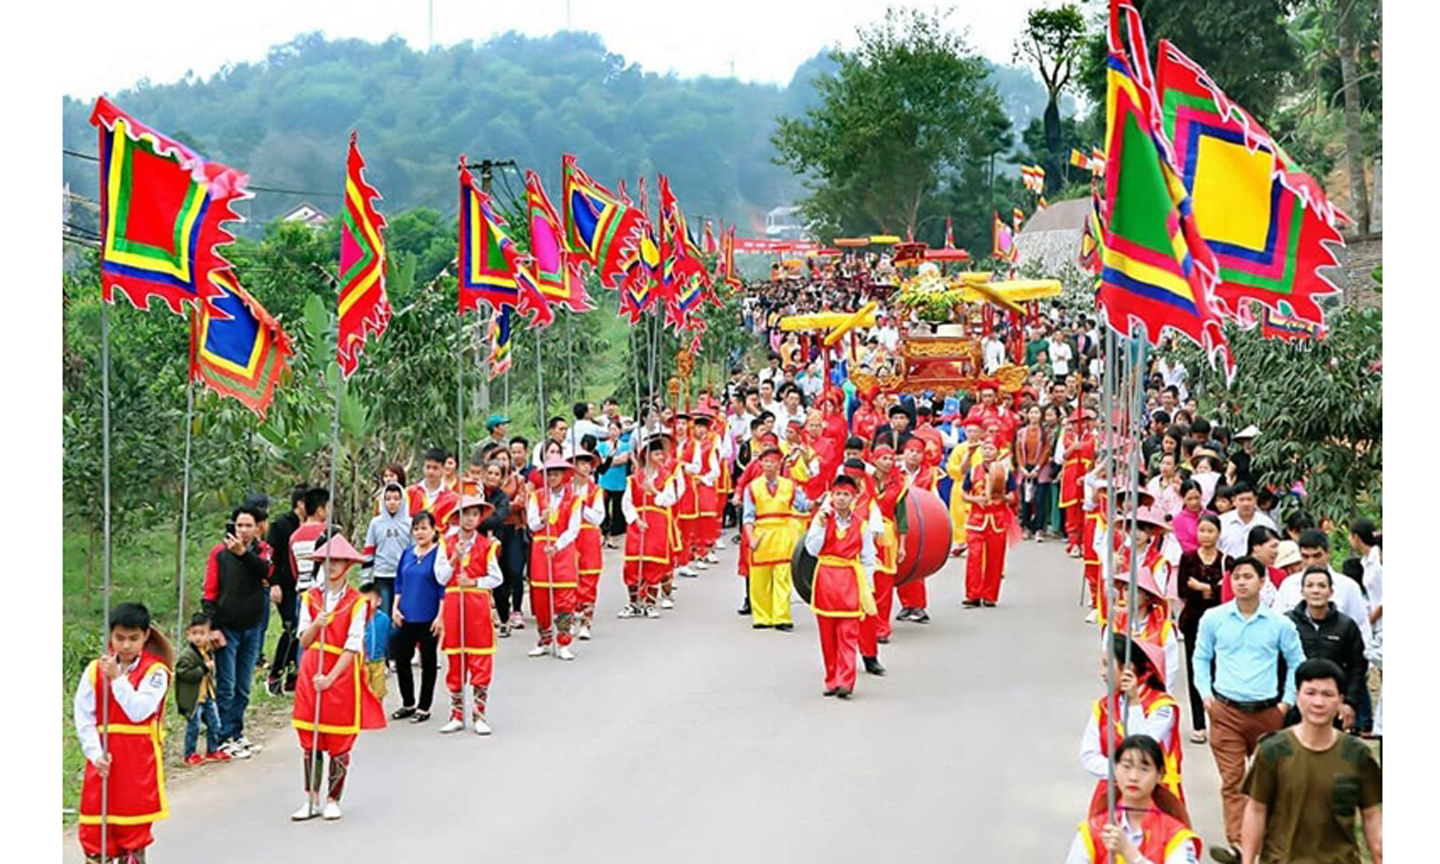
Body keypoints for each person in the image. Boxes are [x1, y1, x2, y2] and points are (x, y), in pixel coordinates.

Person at [1191, 556, 1306, 862]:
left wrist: (1287, 702)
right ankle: (1240, 847)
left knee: (1267, 782)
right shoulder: (1213, 619)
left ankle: (1268, 842)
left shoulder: (1280, 624)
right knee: (1233, 781)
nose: (1241, 582)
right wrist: (1205, 693)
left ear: (1262, 581)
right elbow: (1200, 657)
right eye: (1236, 577)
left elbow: (1298, 663)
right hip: (1225, 711)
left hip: (1268, 712)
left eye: (1248, 576)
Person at [1238, 658, 1382, 864]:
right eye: (1310, 693)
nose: (1318, 702)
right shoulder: (1273, 751)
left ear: (1340, 700)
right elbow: (1256, 809)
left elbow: (1372, 816)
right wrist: (1247, 860)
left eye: (1327, 694)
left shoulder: (1356, 754)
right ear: (1297, 697)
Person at [291, 535, 386, 822]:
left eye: (339, 561)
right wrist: (317, 625)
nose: (332, 566)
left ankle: (333, 797)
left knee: (339, 737)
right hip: (311, 669)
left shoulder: (357, 603)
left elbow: (353, 645)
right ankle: (311, 797)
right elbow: (304, 641)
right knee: (310, 737)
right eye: (327, 561)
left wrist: (331, 678)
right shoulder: (311, 598)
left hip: (340, 673)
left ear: (347, 565)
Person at [74, 602, 173, 864]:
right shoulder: (95, 670)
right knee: (96, 833)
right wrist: (95, 754)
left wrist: (118, 679)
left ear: (145, 637)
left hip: (137, 763)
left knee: (133, 834)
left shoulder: (155, 673)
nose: (126, 645)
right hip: (104, 760)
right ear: (110, 636)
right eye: (119, 638)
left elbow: (139, 711)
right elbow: (84, 716)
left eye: (133, 638)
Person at [1079, 636, 1184, 807]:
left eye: (1107, 665)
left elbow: (1140, 747)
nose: (1102, 673)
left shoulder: (1162, 708)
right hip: (1111, 795)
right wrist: (1121, 774)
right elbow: (1088, 755)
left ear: (1129, 669)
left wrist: (1134, 702)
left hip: (1155, 798)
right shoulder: (1104, 706)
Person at [202, 505, 272, 760]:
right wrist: (212, 626)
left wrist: (244, 554)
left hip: (252, 626)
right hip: (227, 627)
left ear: (257, 528)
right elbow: (210, 591)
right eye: (239, 525)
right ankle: (222, 737)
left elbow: (268, 572)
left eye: (248, 526)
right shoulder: (219, 554)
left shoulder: (262, 552)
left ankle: (236, 732)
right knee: (227, 685)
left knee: (243, 685)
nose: (243, 530)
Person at [1064, 734, 1201, 864]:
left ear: (1160, 774)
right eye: (1126, 767)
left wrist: (1129, 853)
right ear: (1115, 770)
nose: (1133, 777)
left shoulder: (1174, 835)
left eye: (1144, 769)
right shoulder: (1094, 830)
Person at [803, 475, 878, 698]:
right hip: (826, 580)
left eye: (846, 494)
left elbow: (868, 557)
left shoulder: (862, 525)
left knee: (848, 634)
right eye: (838, 494)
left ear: (853, 498)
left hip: (849, 582)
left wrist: (867, 584)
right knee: (827, 636)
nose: (842, 499)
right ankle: (831, 678)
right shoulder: (822, 520)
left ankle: (846, 680)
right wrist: (820, 525)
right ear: (831, 496)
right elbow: (812, 549)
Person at [441, 497, 504, 734]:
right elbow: (439, 577)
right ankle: (456, 714)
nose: (470, 518)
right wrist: (454, 558)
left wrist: (475, 581)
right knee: (456, 659)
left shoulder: (487, 545)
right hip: (454, 605)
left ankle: (479, 714)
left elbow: (496, 578)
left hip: (477, 605)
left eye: (475, 514)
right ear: (458, 517)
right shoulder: (446, 544)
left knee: (480, 658)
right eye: (466, 513)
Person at [1281, 567, 1368, 731]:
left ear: (1331, 591)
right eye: (1310, 585)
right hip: (1293, 707)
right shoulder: (1286, 623)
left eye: (1321, 586)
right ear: (1302, 591)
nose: (1315, 590)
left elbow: (1357, 667)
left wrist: (1349, 702)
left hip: (1332, 707)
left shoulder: (1346, 625)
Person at [742, 444, 809, 631]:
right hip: (762, 534)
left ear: (780, 464)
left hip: (783, 534)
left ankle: (782, 617)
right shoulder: (752, 488)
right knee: (760, 579)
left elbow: (803, 505)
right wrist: (751, 538)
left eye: (773, 462)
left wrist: (819, 502)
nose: (769, 465)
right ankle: (762, 617)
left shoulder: (789, 486)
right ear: (761, 463)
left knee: (782, 578)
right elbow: (747, 517)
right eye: (766, 461)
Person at [391, 511, 449, 724]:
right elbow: (399, 583)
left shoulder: (439, 554)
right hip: (406, 613)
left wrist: (440, 617)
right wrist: (395, 608)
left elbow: (443, 587)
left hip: (429, 615)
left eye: (424, 528)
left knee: (428, 660)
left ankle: (424, 706)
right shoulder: (407, 554)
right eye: (416, 528)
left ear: (434, 530)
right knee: (402, 658)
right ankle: (408, 702)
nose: (420, 532)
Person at [1176, 515, 1227, 744]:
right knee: (1196, 670)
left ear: (1218, 534)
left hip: (1219, 624)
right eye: (1202, 530)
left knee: (1219, 671)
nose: (1206, 535)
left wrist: (1204, 588)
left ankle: (1219, 721)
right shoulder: (1187, 558)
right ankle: (1198, 724)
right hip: (1193, 621)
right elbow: (1182, 590)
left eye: (1210, 531)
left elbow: (1226, 592)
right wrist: (1206, 590)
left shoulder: (1227, 561)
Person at [527, 456, 583, 658]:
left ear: (564, 475)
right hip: (541, 550)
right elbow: (531, 525)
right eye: (548, 474)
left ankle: (563, 642)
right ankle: (544, 638)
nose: (552, 477)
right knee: (542, 598)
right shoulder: (537, 497)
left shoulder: (575, 499)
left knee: (565, 598)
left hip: (563, 549)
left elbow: (574, 529)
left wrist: (558, 546)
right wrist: (542, 519)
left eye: (556, 474)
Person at [621, 434, 680, 619]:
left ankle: (650, 603)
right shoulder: (633, 479)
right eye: (656, 454)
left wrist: (654, 490)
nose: (660, 458)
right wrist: (635, 519)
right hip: (638, 523)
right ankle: (633, 602)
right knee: (633, 562)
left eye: (662, 455)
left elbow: (670, 499)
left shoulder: (667, 478)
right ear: (646, 456)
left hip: (657, 523)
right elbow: (627, 502)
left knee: (655, 563)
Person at [960, 439, 1016, 608]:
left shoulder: (1006, 472)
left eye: (991, 449)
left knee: (995, 558)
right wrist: (975, 499)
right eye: (985, 449)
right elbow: (964, 494)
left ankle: (990, 595)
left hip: (997, 519)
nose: (987, 452)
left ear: (998, 452)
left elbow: (1013, 496)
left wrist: (1003, 497)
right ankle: (973, 595)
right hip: (977, 519)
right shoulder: (973, 471)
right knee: (974, 558)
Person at [266, 485, 308, 696]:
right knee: (291, 628)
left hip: (306, 586)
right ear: (300, 503)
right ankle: (275, 674)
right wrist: (273, 583)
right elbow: (270, 557)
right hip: (285, 586)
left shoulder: (311, 526)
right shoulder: (281, 525)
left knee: (303, 631)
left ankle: (293, 676)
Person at [360, 483, 412, 652]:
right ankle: (384, 655)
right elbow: (369, 550)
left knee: (402, 617)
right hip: (382, 575)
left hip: (403, 578)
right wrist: (366, 579)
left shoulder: (409, 523)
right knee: (383, 616)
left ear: (402, 501)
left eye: (396, 499)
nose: (392, 502)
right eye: (388, 498)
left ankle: (400, 652)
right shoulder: (376, 524)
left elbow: (414, 551)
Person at [175, 613, 227, 766]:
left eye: (202, 633)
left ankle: (212, 750)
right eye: (194, 633)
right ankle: (190, 753)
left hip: (207, 695)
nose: (198, 637)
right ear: (188, 635)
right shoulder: (188, 655)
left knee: (214, 723)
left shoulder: (207, 651)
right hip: (193, 698)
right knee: (194, 726)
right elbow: (183, 673)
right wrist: (204, 668)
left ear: (209, 634)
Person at [571, 449, 607, 639]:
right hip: (570, 536)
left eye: (588, 463)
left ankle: (586, 621)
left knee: (589, 579)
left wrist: (580, 506)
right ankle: (568, 620)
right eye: (581, 463)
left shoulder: (595, 491)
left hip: (588, 536)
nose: (585, 467)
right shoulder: (565, 489)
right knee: (568, 579)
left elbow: (598, 517)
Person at [1216, 482, 1276, 559]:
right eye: (1241, 500)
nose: (1246, 504)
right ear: (1234, 501)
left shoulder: (1266, 523)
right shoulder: (1221, 522)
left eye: (1249, 499)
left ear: (1255, 499)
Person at [407, 447, 460, 527]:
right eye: (428, 467)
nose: (431, 471)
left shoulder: (453, 499)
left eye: (435, 468)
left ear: (443, 469)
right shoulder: (410, 493)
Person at [358, 581, 390, 704]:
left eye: (369, 600)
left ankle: (378, 711)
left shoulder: (384, 619)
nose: (366, 604)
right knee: (362, 688)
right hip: (362, 661)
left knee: (379, 690)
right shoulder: (358, 619)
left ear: (379, 601)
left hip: (379, 660)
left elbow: (388, 636)